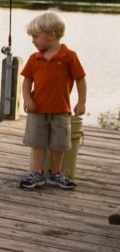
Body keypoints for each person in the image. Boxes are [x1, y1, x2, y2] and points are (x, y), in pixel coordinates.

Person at [19, 11, 86, 190]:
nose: (33, 40)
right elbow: (26, 82)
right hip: (37, 110)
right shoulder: (34, 59)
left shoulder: (69, 56)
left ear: (51, 35)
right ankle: (37, 173)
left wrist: (81, 102)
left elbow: (80, 79)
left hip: (61, 110)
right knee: (38, 143)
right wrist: (26, 99)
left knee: (59, 144)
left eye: (35, 36)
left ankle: (56, 174)